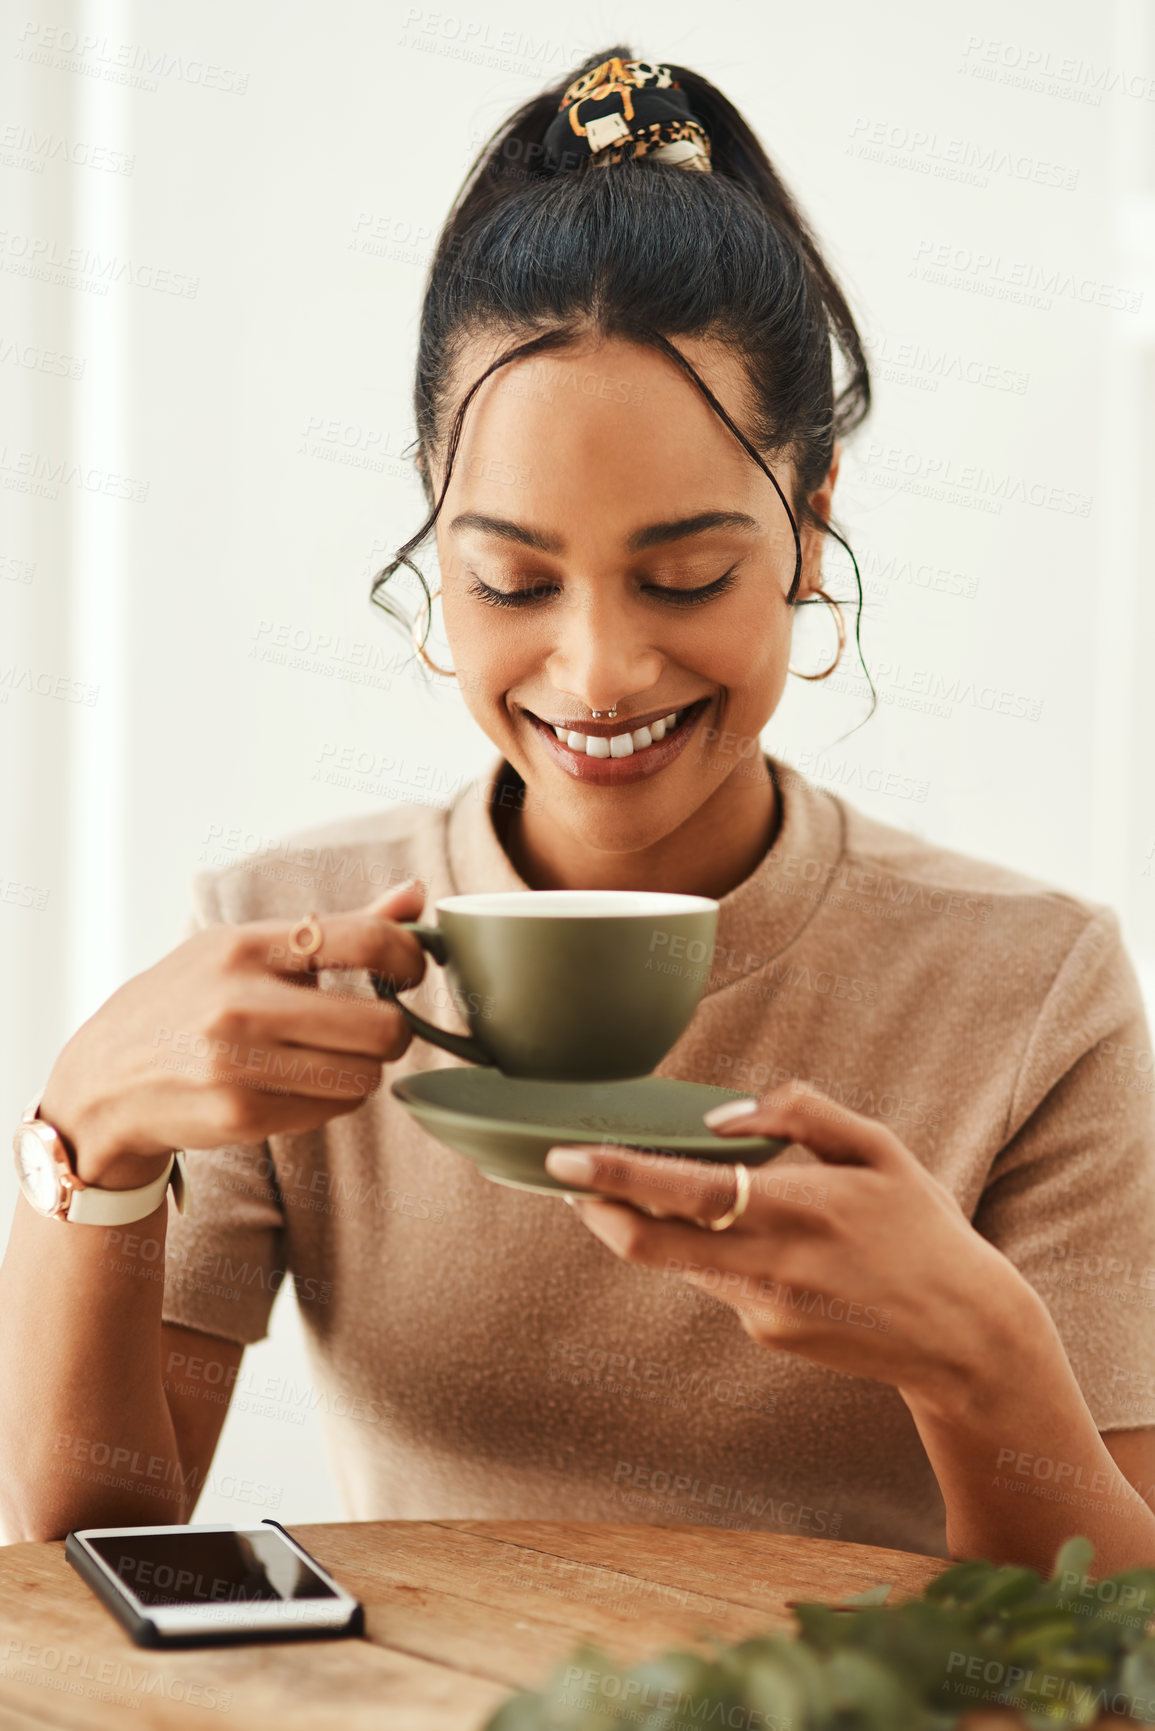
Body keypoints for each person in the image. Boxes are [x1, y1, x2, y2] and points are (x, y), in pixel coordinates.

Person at [3, 49, 1154, 1574]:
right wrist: (90, 1132)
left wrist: (974, 1356)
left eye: (689, 576)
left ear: (810, 533)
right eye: (512, 580)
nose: (600, 670)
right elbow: (92, 1540)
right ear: (434, 524)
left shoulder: (1030, 988)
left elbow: (1115, 1652)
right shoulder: (293, 948)